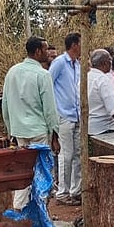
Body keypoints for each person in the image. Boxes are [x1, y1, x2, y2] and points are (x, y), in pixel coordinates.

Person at [2, 36, 59, 148]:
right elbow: (49, 108)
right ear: (38, 51)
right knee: (41, 164)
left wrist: (10, 130)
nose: (48, 53)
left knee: (24, 164)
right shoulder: (43, 74)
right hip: (38, 132)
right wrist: (54, 135)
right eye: (46, 49)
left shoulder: (12, 72)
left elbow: (5, 103)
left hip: (18, 131)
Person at [48, 32, 81, 205]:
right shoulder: (60, 63)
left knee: (76, 155)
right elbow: (48, 83)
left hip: (75, 115)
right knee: (66, 155)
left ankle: (75, 190)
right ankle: (62, 193)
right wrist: (54, 111)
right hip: (64, 115)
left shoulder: (77, 65)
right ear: (74, 45)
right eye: (81, 43)